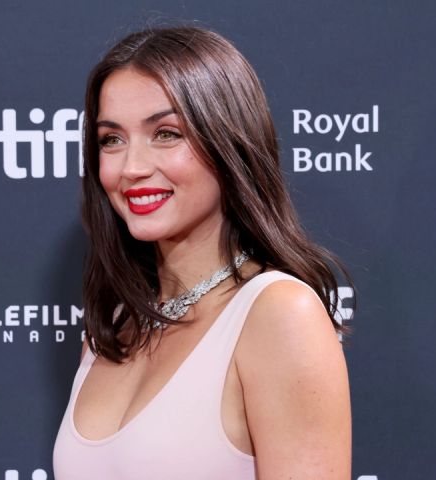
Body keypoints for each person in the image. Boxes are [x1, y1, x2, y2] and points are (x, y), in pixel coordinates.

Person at [53, 25, 353, 479]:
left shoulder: (278, 313)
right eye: (111, 139)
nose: (131, 167)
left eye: (166, 133)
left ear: (227, 141)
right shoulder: (115, 327)